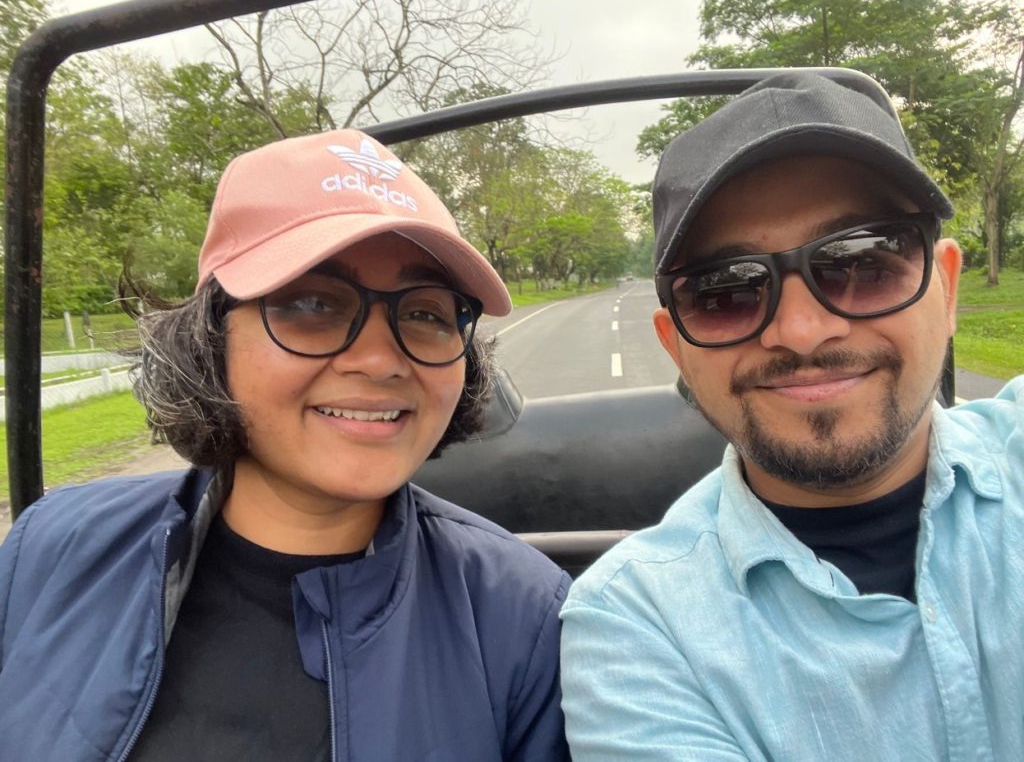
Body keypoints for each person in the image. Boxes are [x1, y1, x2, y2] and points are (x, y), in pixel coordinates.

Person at [0, 129, 571, 762]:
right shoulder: (52, 549)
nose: (381, 359)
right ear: (210, 336)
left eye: (426, 313)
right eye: (311, 303)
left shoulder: (523, 615)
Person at [560, 71, 1024, 760]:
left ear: (946, 288)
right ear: (676, 348)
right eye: (727, 292)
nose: (802, 331)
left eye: (864, 260)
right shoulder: (635, 627)